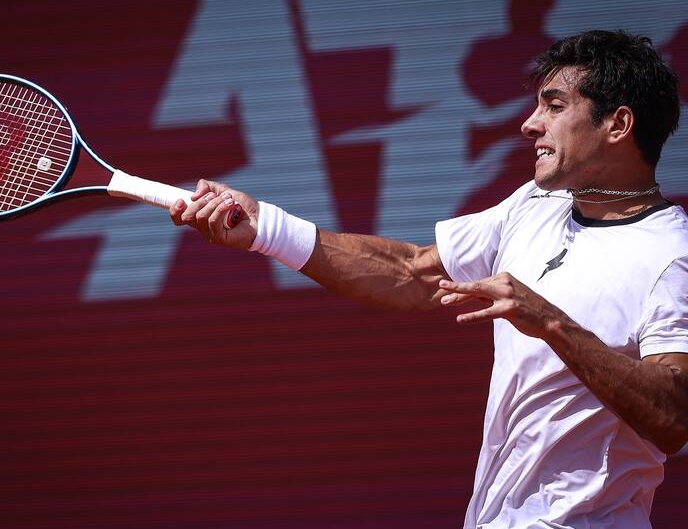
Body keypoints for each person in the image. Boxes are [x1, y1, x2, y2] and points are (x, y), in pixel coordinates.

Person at [168, 30, 688, 528]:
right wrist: (266, 228)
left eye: (554, 107)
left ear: (618, 125)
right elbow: (412, 272)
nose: (530, 125)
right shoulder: (535, 204)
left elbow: (673, 417)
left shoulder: (672, 255)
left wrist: (551, 322)